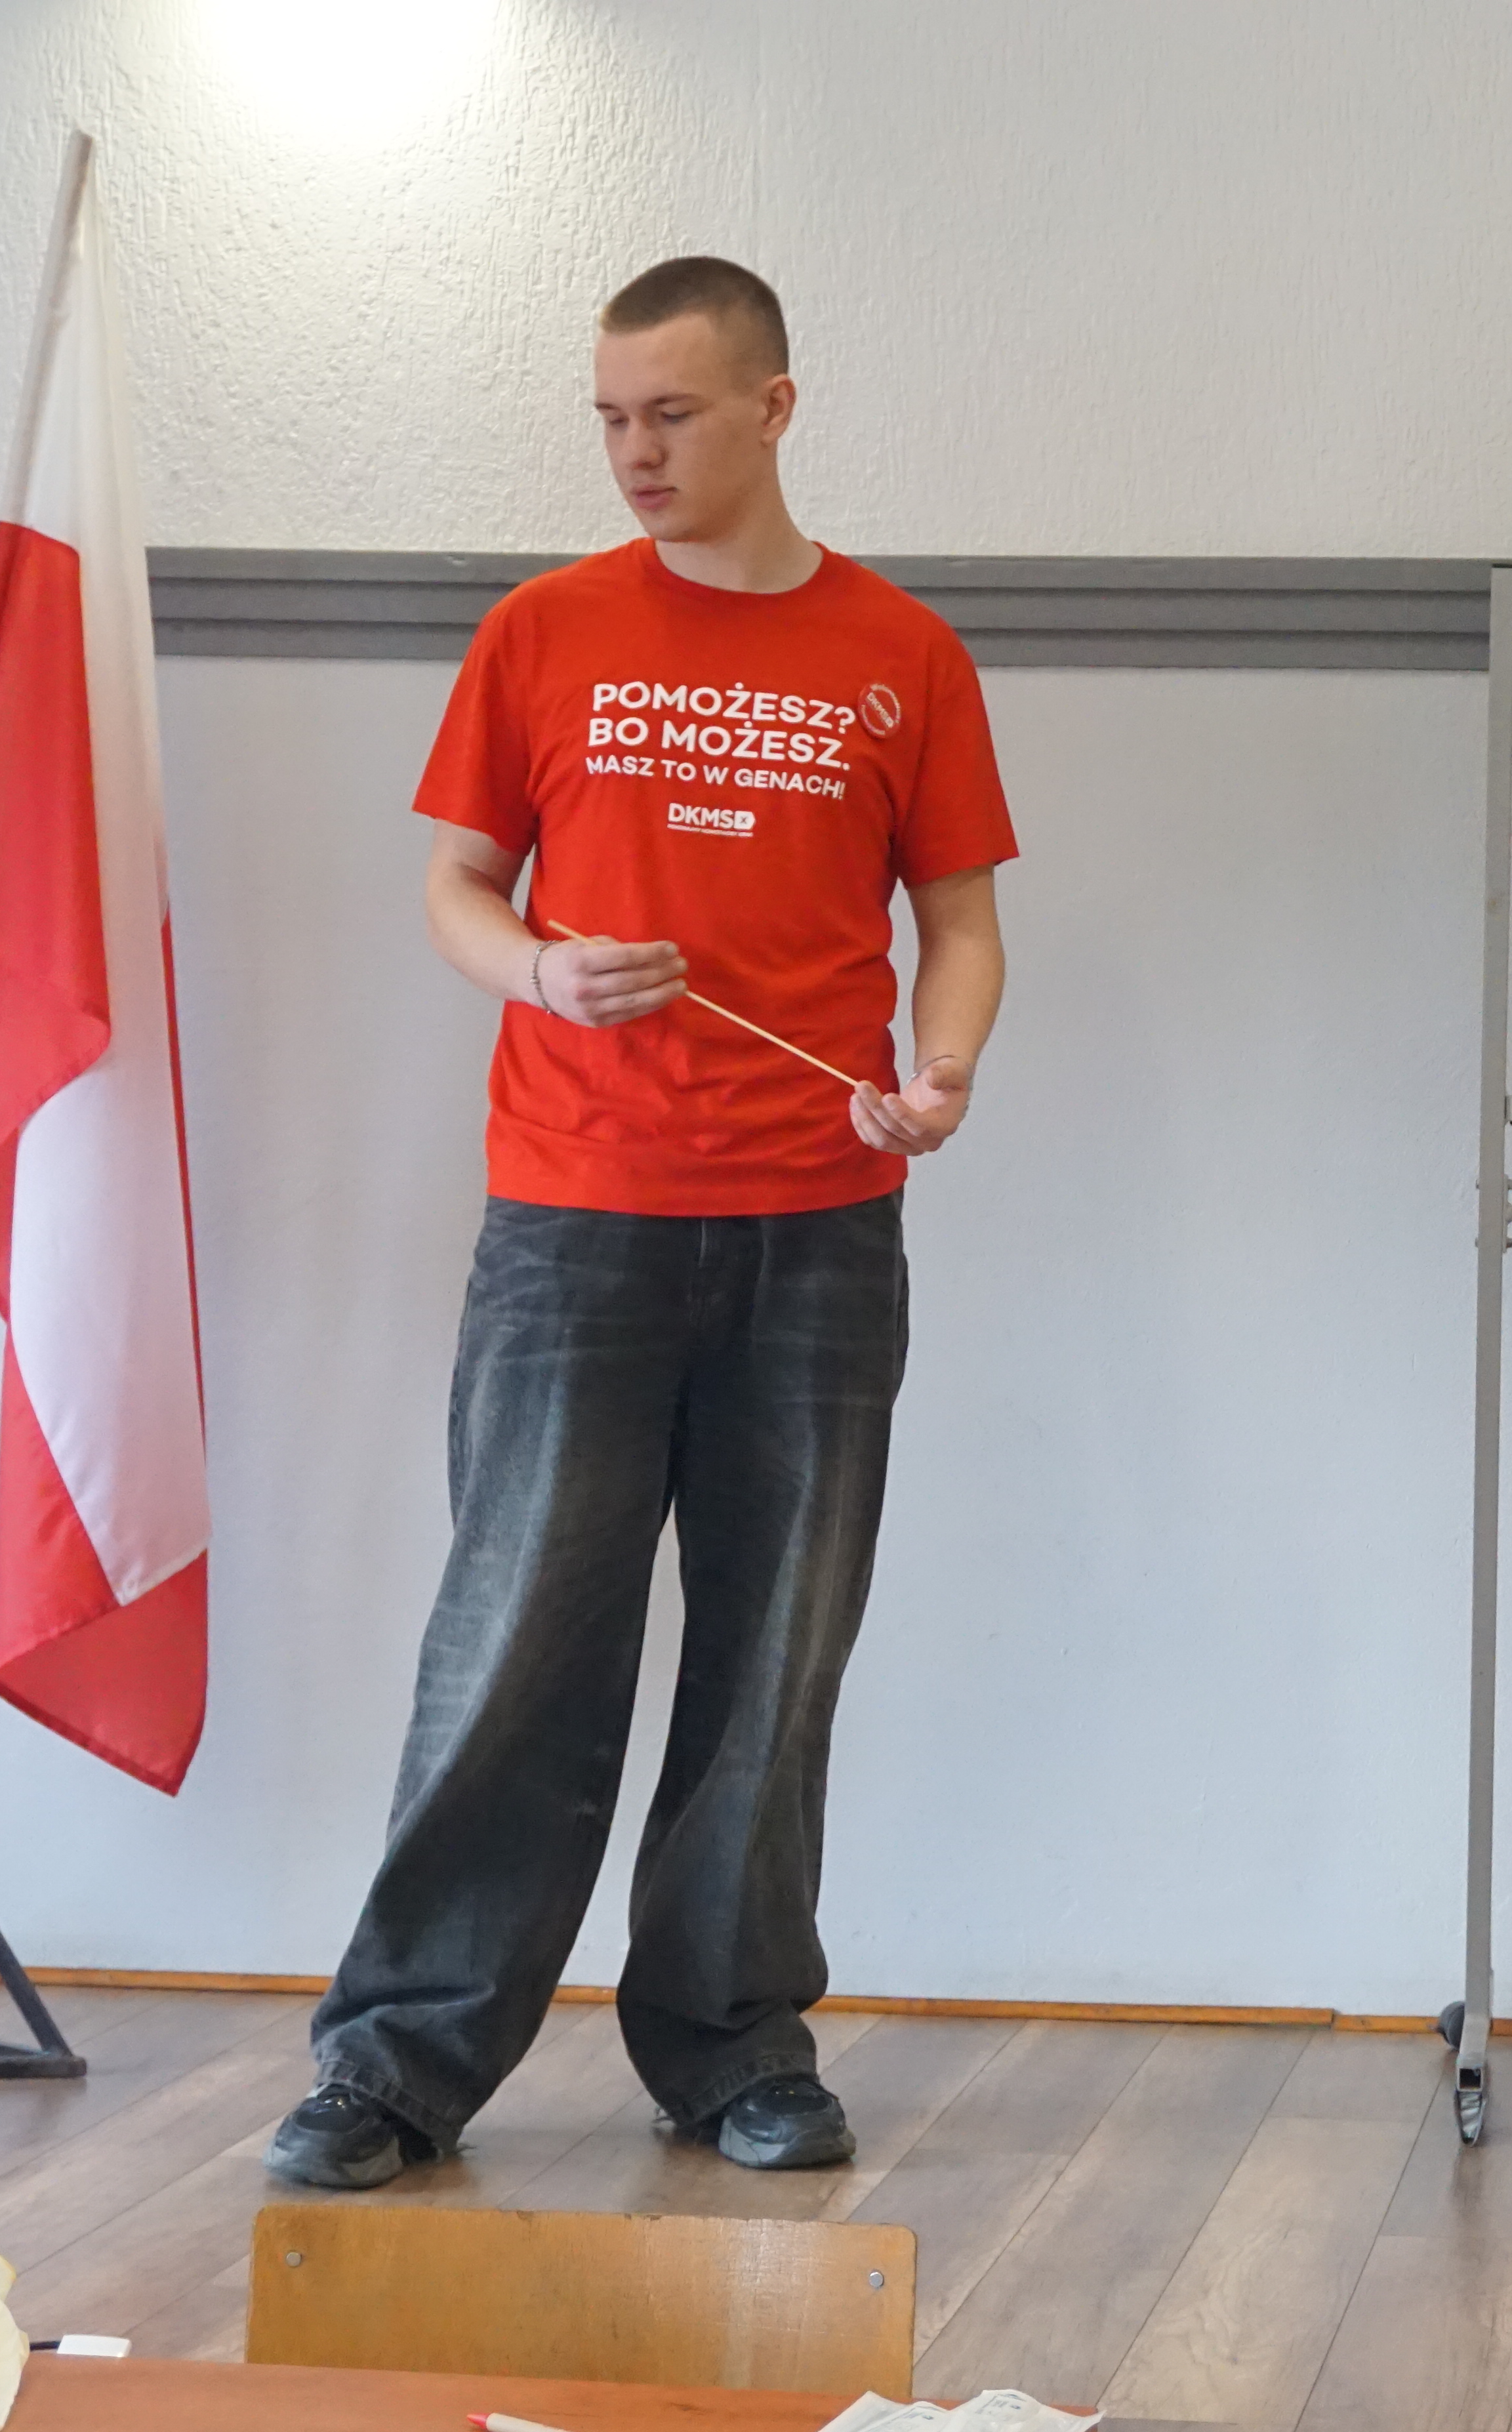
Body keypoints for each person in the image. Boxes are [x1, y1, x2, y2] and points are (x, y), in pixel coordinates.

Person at [268, 257, 1014, 2189]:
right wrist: (540, 970)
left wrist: (941, 1072)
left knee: (776, 1658)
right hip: (575, 1222)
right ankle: (399, 2062)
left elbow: (961, 926)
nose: (635, 453)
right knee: (517, 1640)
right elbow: (456, 888)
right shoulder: (545, 631)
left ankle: (735, 2044)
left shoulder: (903, 653)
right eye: (610, 418)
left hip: (820, 1233)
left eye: (671, 414)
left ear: (774, 406)